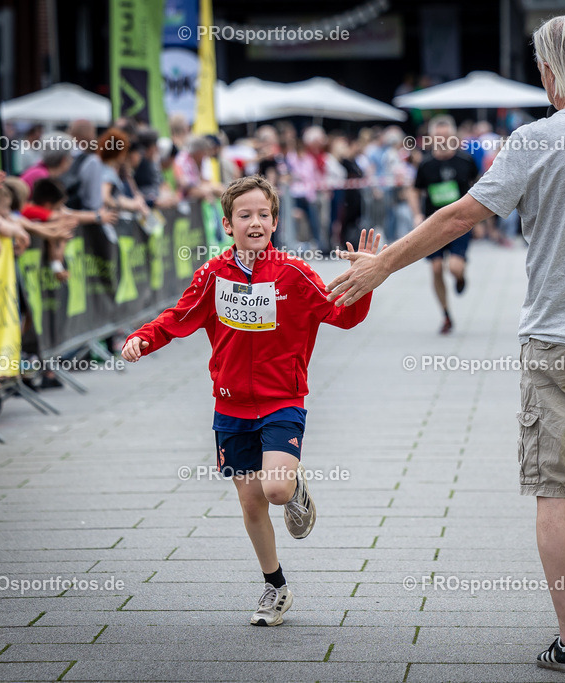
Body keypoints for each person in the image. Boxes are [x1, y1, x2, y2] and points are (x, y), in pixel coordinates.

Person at [327, 14, 565, 673]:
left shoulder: (534, 140)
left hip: (556, 338)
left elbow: (460, 215)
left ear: (550, 71)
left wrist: (382, 265)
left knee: (556, 494)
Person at [121, 175, 378, 627]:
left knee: (275, 489)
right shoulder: (212, 275)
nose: (254, 222)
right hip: (230, 406)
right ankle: (275, 588)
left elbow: (340, 315)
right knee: (251, 502)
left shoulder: (294, 274)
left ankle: (295, 487)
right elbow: (178, 317)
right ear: (227, 224)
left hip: (282, 399)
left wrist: (366, 277)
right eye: (245, 215)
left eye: (263, 214)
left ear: (275, 222)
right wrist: (143, 337)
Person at [408, 115, 480, 334]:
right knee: (437, 267)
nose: (442, 141)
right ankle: (446, 315)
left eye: (447, 137)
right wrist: (417, 213)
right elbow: (413, 190)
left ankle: (460, 277)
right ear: (431, 138)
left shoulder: (465, 160)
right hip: (433, 224)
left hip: (460, 223)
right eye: (438, 137)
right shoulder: (426, 164)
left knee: (454, 267)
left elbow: (479, 186)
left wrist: (481, 219)